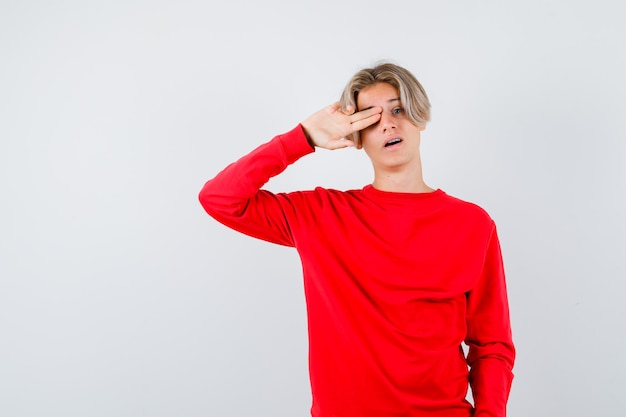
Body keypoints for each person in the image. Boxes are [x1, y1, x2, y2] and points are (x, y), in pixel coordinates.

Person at [199, 62, 515, 417]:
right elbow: (220, 199)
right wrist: (301, 137)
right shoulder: (321, 214)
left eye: (398, 109)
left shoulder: (472, 223)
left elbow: (492, 345)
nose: (388, 123)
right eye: (371, 117)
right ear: (356, 136)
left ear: (419, 117)